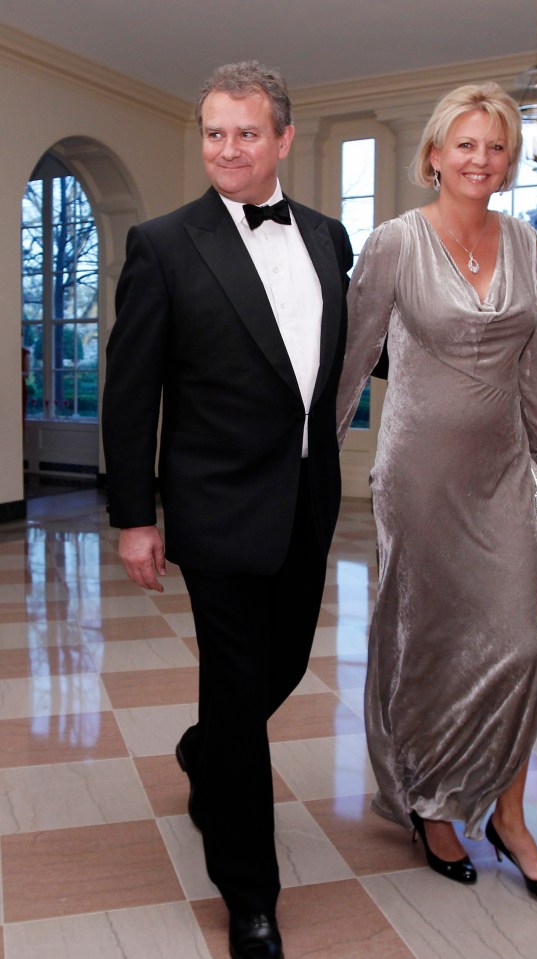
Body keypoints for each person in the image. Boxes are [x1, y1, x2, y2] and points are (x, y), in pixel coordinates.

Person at [102, 60, 352, 959]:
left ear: (283, 138)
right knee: (239, 692)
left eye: (247, 132)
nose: (228, 148)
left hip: (307, 500)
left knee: (275, 670)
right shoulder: (165, 244)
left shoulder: (328, 236)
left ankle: (205, 751)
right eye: (214, 131)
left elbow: (338, 362)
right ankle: (250, 892)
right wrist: (136, 514)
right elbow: (131, 393)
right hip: (213, 508)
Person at [337, 82, 537, 903]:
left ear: (509, 162)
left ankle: (507, 813)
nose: (480, 159)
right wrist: (308, 464)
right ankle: (432, 804)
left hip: (501, 473)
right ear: (434, 154)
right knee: (427, 645)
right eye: (465, 144)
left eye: (495, 146)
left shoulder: (530, 244)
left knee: (520, 649)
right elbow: (354, 358)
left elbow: (536, 364)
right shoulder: (396, 243)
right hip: (417, 475)